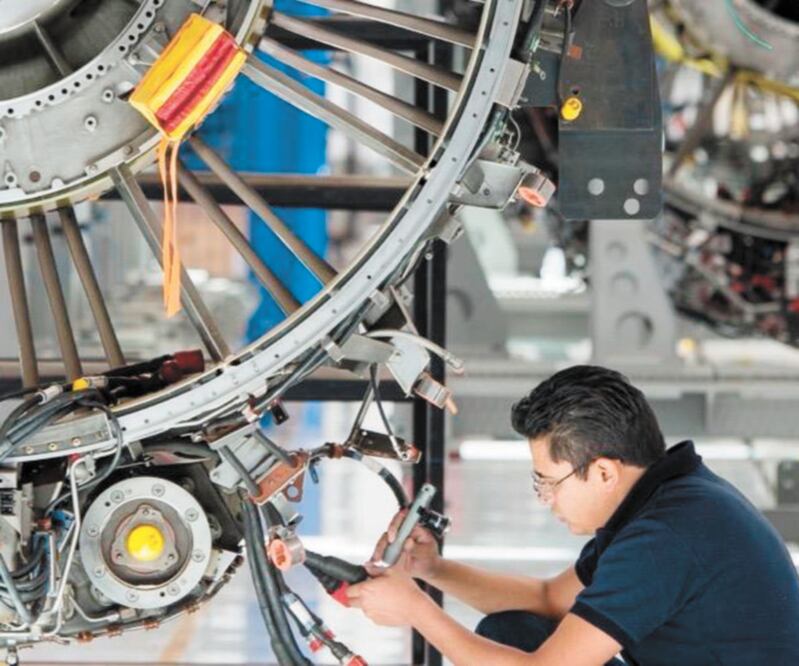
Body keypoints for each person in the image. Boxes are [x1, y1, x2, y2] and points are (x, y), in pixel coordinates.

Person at [347, 365, 799, 665]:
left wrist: (417, 610)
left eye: (549, 482)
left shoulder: (665, 538)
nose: (546, 499)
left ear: (603, 472)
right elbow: (548, 598)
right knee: (513, 631)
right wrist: (430, 569)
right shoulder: (668, 501)